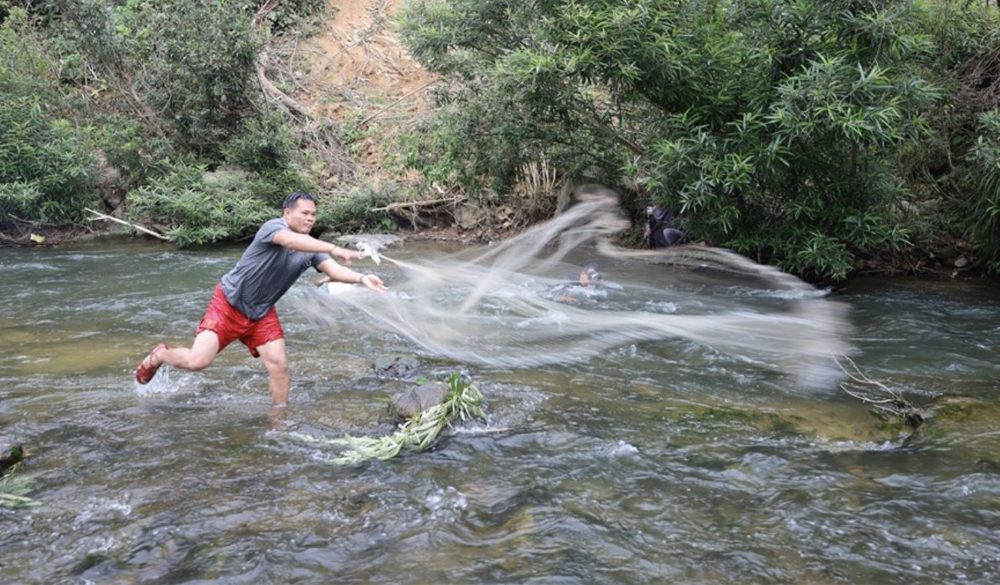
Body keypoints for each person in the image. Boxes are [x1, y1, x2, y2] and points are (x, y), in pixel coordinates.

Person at [134, 192, 388, 407]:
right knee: (197, 361)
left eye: (313, 214)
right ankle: (159, 356)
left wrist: (362, 278)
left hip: (261, 312)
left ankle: (278, 420)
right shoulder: (273, 228)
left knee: (279, 365)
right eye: (305, 213)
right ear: (287, 213)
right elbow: (289, 240)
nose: (310, 218)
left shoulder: (311, 248)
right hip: (228, 304)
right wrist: (332, 247)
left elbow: (334, 271)